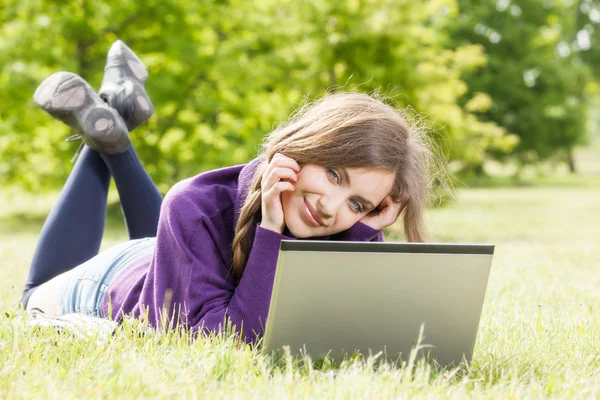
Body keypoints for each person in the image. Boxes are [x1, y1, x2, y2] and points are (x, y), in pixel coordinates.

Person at [21, 40, 445, 342]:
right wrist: (272, 230)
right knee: (31, 297)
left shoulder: (342, 225)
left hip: (169, 263)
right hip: (113, 284)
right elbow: (236, 339)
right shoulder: (195, 204)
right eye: (334, 174)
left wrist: (364, 231)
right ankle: (112, 130)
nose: (331, 208)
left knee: (180, 224)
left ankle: (113, 119)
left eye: (359, 203)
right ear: (302, 146)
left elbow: (348, 322)